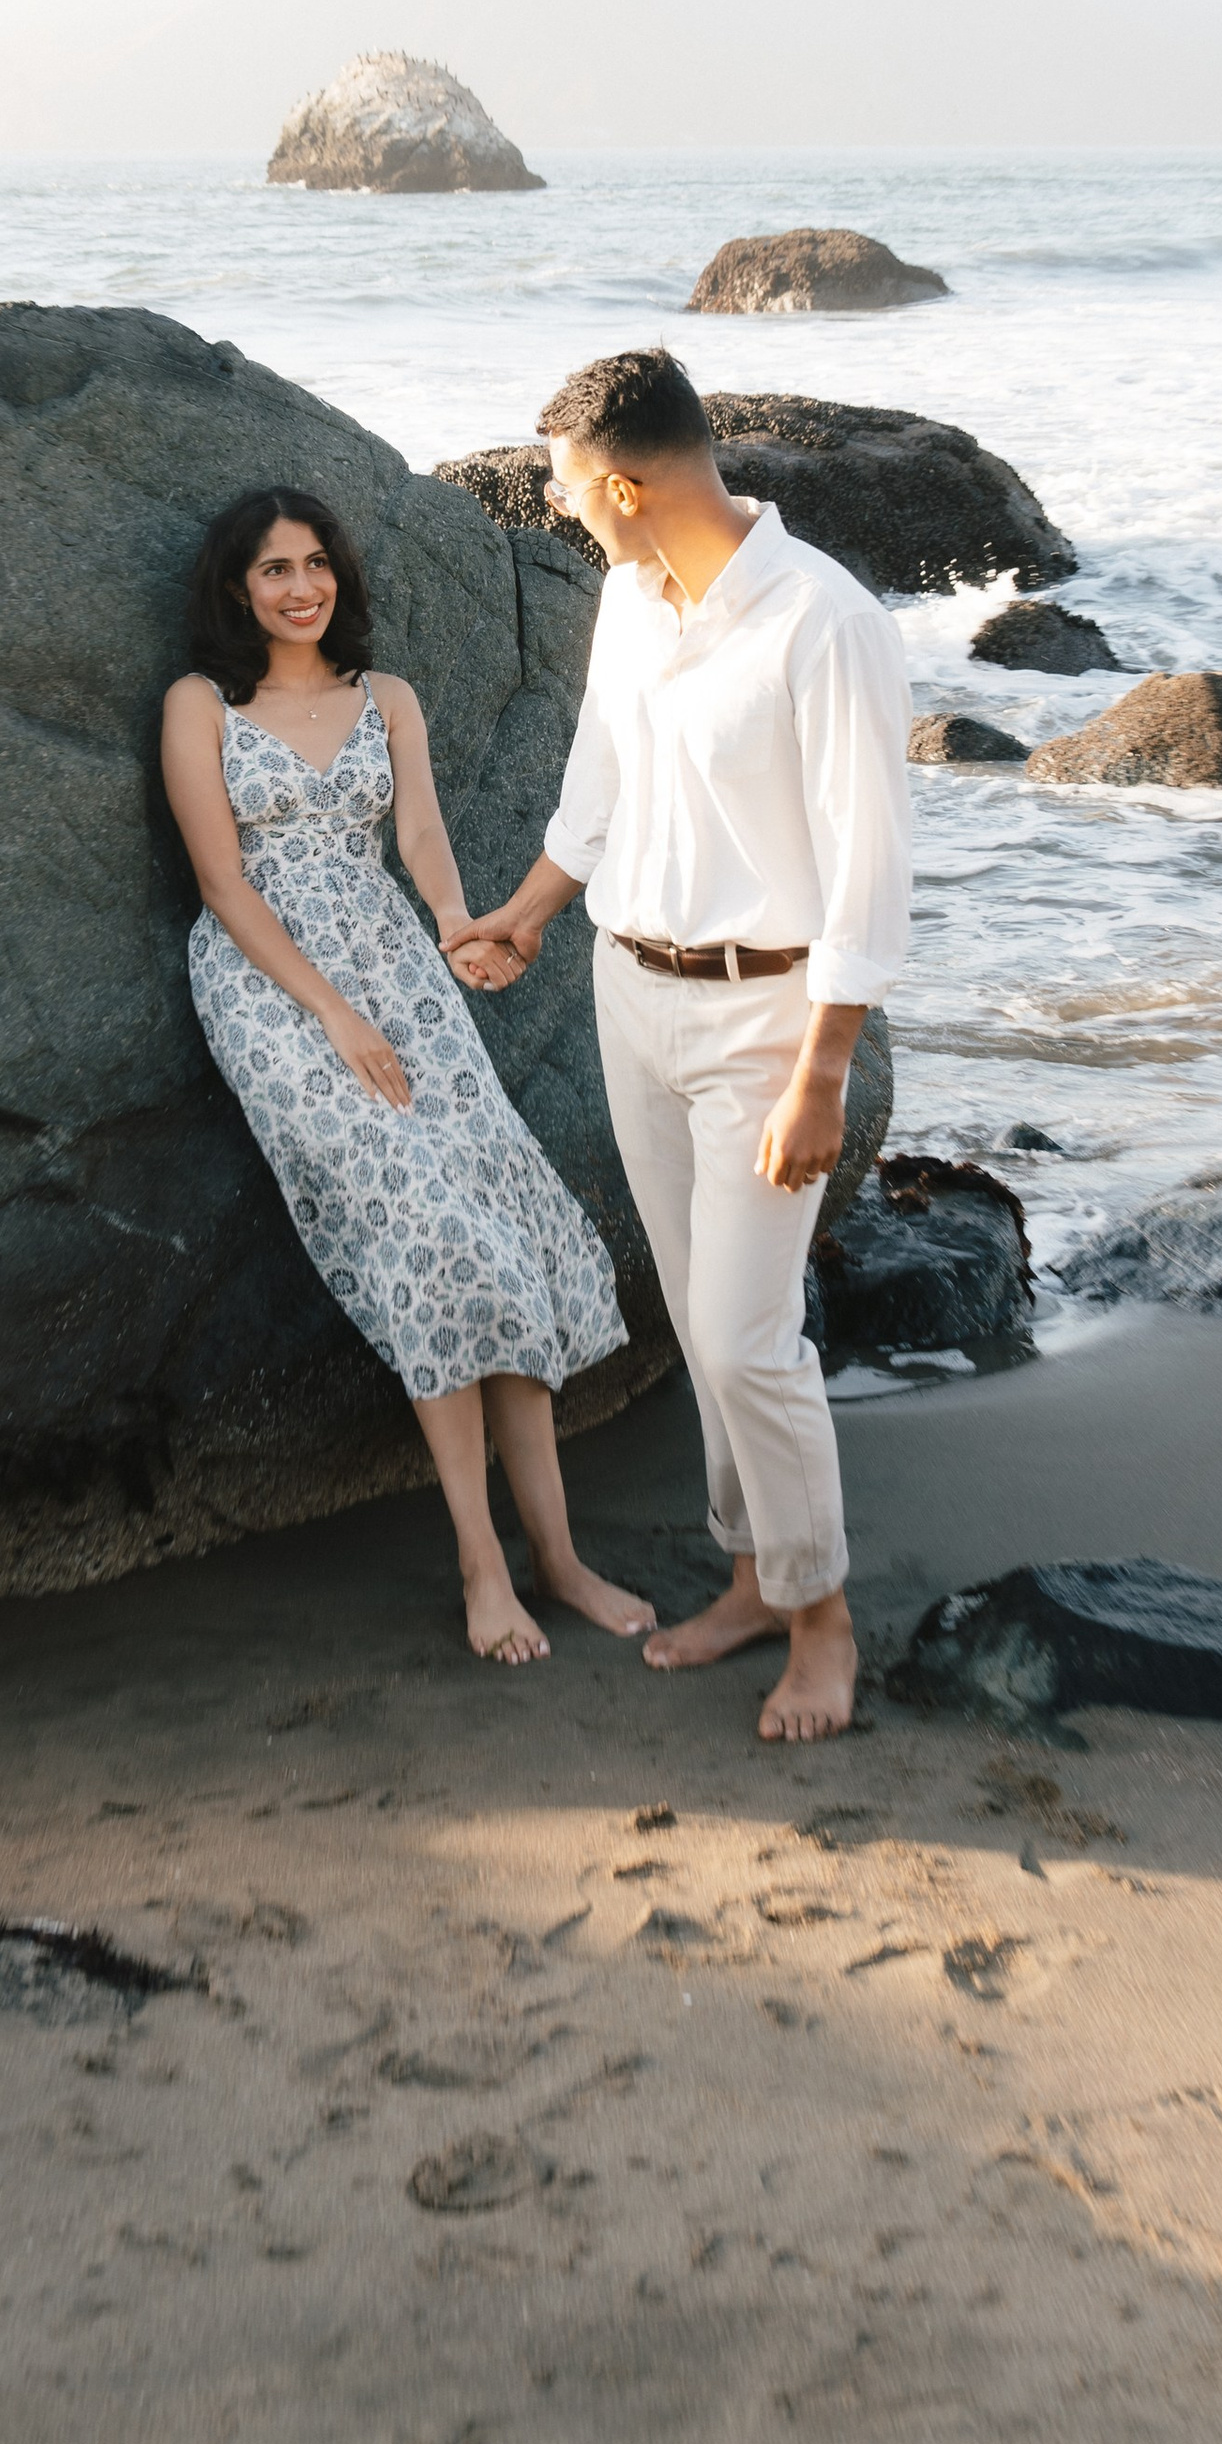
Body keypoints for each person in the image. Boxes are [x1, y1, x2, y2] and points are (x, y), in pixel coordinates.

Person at [456, 351, 912, 1743]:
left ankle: (822, 1616)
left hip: (768, 1019)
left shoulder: (824, 622)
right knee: (701, 1318)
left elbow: (871, 868)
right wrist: (529, 917)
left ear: (629, 483)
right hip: (628, 990)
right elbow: (600, 775)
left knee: (744, 1330)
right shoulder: (629, 594)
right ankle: (754, 1577)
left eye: (565, 487)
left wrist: (823, 1072)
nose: (561, 507)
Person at [161, 484, 653, 1667]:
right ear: (239, 585)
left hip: (395, 961)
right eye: (275, 568)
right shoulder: (201, 704)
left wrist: (454, 925)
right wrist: (330, 1014)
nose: (301, 586)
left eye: (317, 563)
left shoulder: (385, 697)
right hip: (271, 980)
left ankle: (559, 1557)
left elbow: (422, 836)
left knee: (504, 1219)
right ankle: (484, 1566)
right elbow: (222, 885)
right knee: (430, 1231)